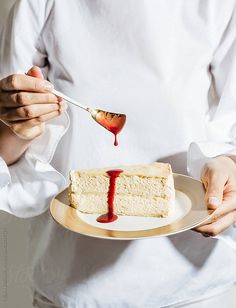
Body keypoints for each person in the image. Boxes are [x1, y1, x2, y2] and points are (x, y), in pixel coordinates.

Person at [0, 0, 236, 307]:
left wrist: (230, 167)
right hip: (73, 280)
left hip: (196, 284)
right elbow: (9, 148)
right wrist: (18, 126)